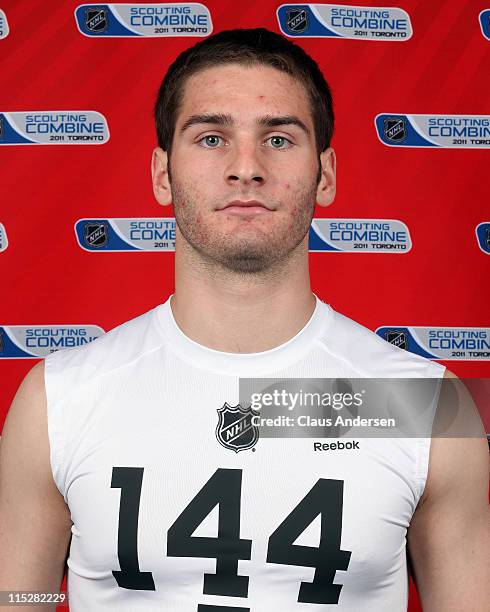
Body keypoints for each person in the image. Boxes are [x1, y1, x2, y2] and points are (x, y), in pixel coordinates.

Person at [0, 28, 488, 612]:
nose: (245, 167)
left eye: (279, 138)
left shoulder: (422, 404)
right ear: (162, 175)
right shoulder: (60, 399)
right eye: (211, 138)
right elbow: (18, 596)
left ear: (325, 175)